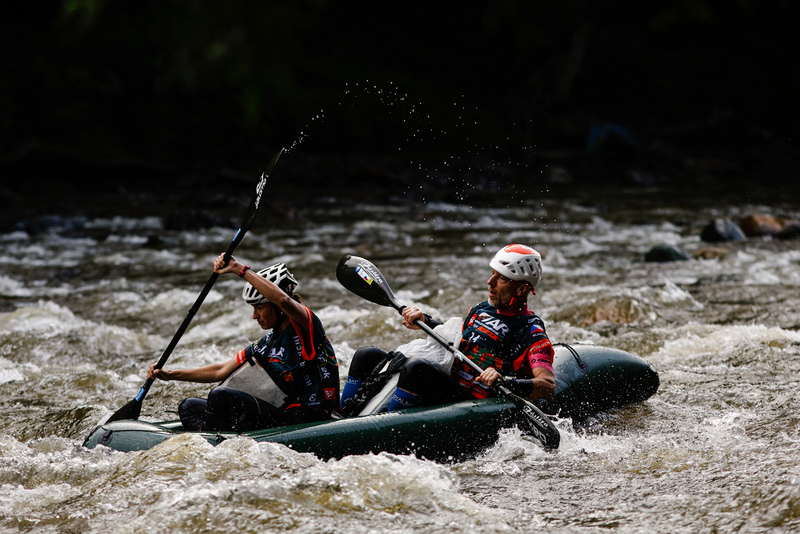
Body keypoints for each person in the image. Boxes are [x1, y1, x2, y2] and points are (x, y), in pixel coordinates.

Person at [340, 244, 555, 413]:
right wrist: (426, 320)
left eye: (501, 279)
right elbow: (457, 339)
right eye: (492, 274)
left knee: (416, 368)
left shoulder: (531, 330)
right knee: (366, 355)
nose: (490, 282)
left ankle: (386, 425)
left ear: (522, 288)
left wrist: (505, 380)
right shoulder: (480, 310)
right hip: (448, 383)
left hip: (470, 401)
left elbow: (547, 385)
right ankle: (341, 417)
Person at [147, 254, 339, 432]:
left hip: (305, 416)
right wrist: (170, 374)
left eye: (259, 307)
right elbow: (220, 370)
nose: (254, 315)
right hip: (280, 412)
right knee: (189, 406)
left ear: (278, 308)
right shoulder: (266, 343)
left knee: (219, 396)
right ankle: (212, 437)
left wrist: (239, 269)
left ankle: (216, 440)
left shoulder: (305, 327)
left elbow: (282, 299)